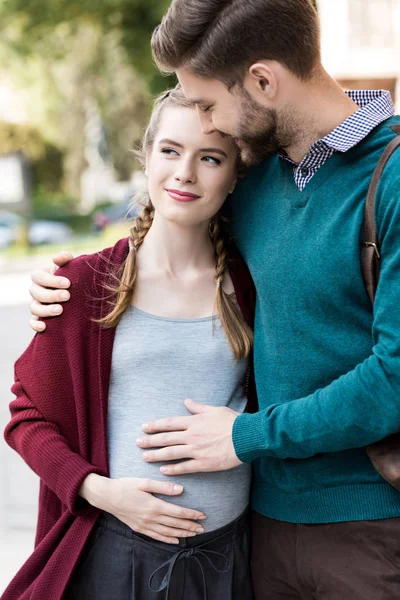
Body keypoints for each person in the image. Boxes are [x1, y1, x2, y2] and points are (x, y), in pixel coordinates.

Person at [28, 0, 400, 598]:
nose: (210, 123)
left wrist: (244, 437)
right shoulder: (260, 182)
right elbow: (173, 224)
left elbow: (396, 376)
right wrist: (62, 282)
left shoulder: (392, 179)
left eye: (207, 104)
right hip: (262, 531)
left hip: (370, 526)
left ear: (262, 81)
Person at [3, 87, 257, 600]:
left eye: (210, 158)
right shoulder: (83, 283)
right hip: (117, 555)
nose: (185, 172)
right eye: (170, 150)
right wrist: (101, 492)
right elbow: (25, 419)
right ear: (146, 158)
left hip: (230, 560)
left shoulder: (250, 285)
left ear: (233, 177)